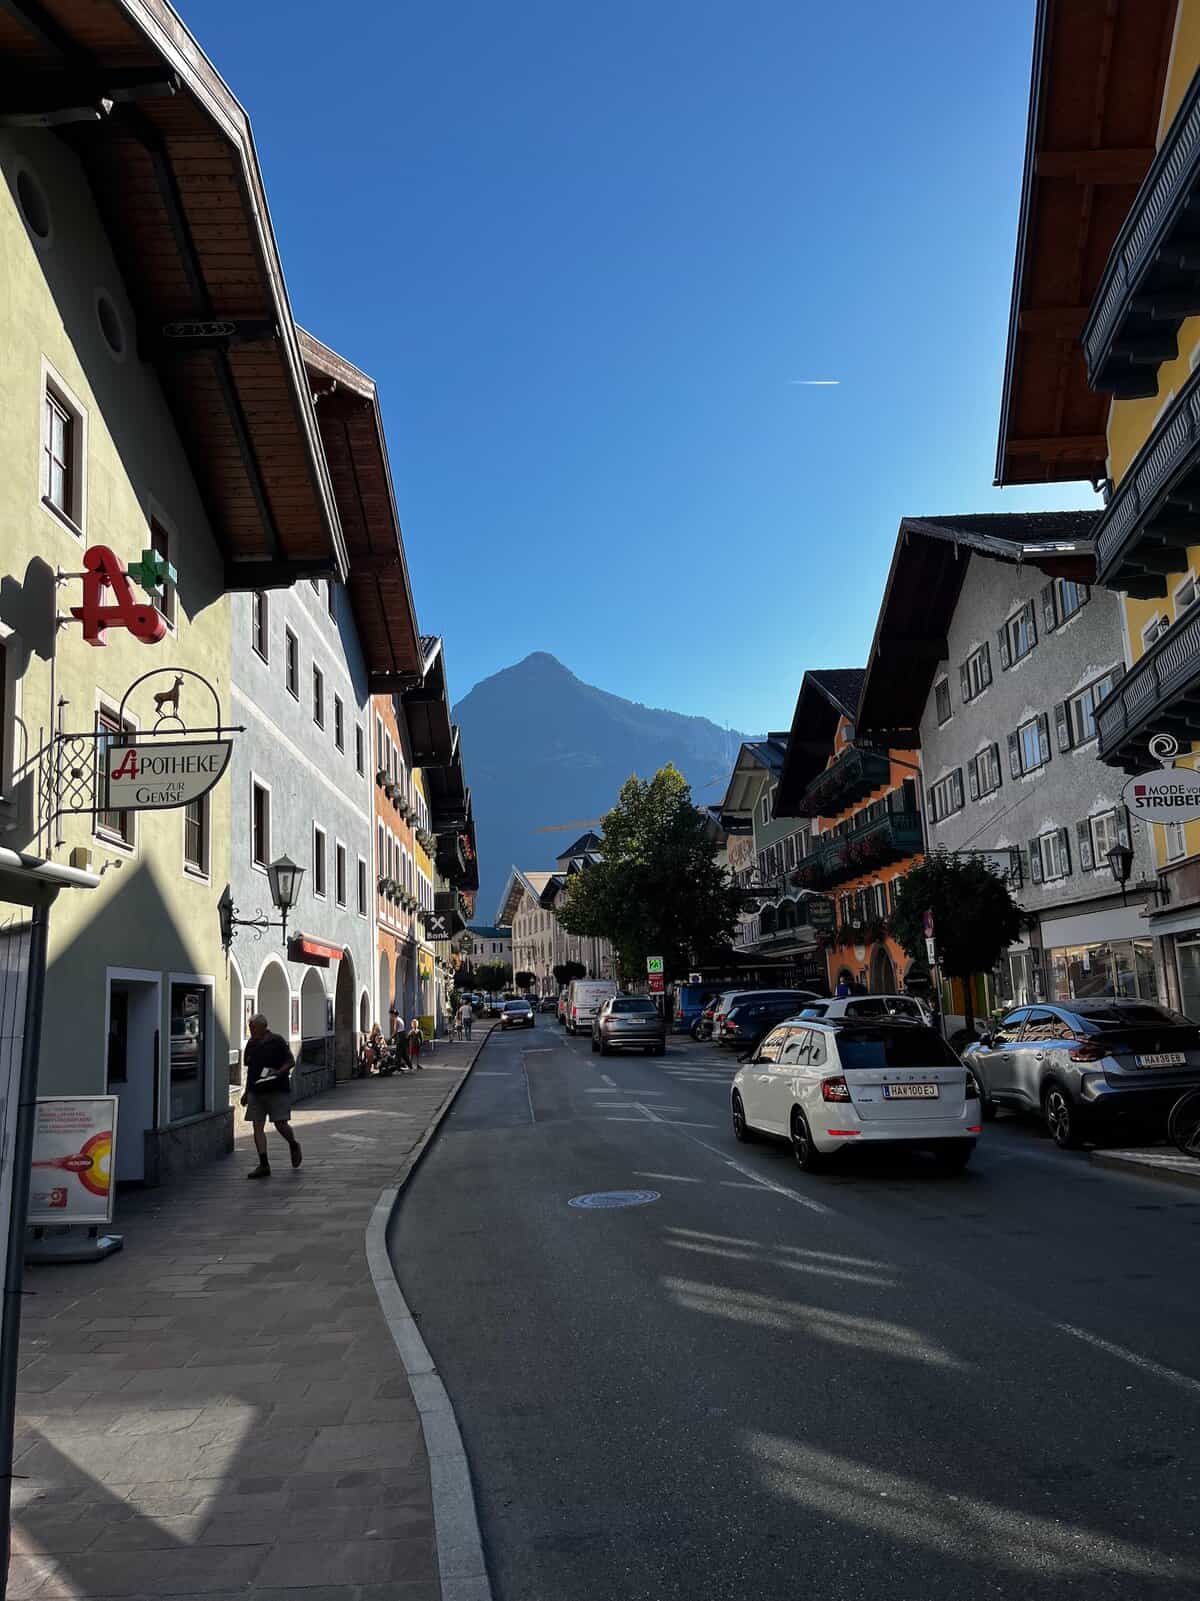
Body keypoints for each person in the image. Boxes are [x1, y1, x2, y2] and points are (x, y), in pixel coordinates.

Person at [242, 1013, 301, 1178]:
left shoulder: (277, 1040)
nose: (251, 1030)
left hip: (277, 1089)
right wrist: (247, 1091)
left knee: (280, 1124)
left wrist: (279, 1072)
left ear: (263, 1026)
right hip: (256, 1091)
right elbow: (251, 1069)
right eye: (250, 1027)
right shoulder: (251, 1044)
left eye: (253, 1027)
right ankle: (264, 1164)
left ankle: (293, 1144)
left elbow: (290, 1061)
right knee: (257, 1125)